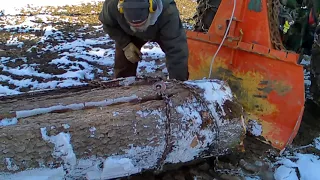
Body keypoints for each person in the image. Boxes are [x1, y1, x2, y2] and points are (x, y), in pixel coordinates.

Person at [98, 0, 189, 81]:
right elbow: (108, 24)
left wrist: (177, 83)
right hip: (129, 34)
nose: (138, 28)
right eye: (134, 25)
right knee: (124, 61)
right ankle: (123, 89)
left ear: (152, 8)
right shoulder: (112, 5)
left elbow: (176, 50)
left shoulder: (168, 11)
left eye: (141, 24)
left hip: (160, 30)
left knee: (178, 58)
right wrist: (125, 44)